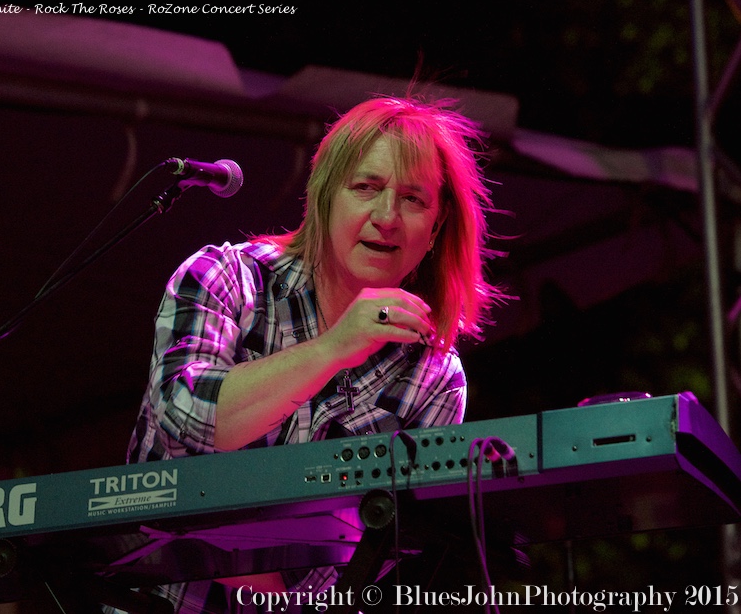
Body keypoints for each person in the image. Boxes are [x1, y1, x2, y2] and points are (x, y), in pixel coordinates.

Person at [121, 96, 500, 613]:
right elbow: (187, 420)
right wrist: (333, 348)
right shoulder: (224, 278)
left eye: (413, 199)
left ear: (435, 229)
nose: (386, 217)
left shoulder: (434, 376)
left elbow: (365, 555)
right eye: (366, 188)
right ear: (323, 198)